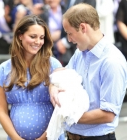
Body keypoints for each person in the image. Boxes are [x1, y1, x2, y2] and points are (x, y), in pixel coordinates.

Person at [49, 3, 127, 140]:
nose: (69, 40)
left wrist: (66, 115)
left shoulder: (112, 61)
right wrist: (52, 87)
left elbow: (108, 114)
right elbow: (62, 76)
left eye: (70, 33)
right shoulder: (80, 53)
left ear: (83, 27)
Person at [0, 15, 64, 140]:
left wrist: (44, 138)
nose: (38, 42)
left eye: (42, 38)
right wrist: (16, 138)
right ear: (20, 35)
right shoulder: (4, 69)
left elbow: (61, 109)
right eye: (33, 36)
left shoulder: (54, 65)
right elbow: (1, 111)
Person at [46, 67, 89, 140]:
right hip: (72, 135)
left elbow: (109, 116)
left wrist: (68, 115)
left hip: (96, 135)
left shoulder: (108, 62)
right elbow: (56, 77)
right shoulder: (78, 57)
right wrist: (51, 87)